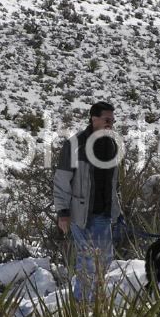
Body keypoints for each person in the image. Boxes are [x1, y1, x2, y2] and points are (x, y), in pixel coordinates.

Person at [53, 101, 121, 301]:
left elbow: (114, 183)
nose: (111, 123)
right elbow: (62, 180)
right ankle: (81, 305)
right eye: (107, 119)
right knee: (88, 260)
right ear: (94, 119)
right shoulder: (75, 145)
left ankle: (96, 304)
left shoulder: (112, 144)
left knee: (105, 261)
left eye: (112, 120)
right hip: (80, 214)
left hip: (104, 213)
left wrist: (117, 211)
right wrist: (62, 212)